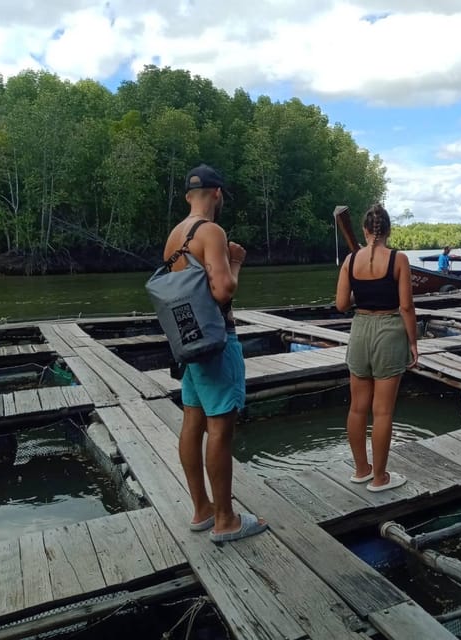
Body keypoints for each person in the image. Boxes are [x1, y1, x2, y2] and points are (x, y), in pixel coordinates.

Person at [163, 164, 267, 543]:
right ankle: (226, 520)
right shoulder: (212, 232)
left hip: (188, 345)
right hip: (216, 342)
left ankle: (201, 509)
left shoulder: (174, 237)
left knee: (192, 422)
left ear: (189, 195)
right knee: (220, 429)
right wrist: (236, 260)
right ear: (217, 194)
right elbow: (223, 291)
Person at [336, 204, 419, 492]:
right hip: (389, 329)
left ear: (365, 229)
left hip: (360, 329)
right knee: (382, 411)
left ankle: (361, 469)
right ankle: (380, 477)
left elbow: (341, 304)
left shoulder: (350, 260)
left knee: (358, 408)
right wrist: (413, 342)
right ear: (389, 229)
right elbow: (406, 306)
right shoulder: (399, 259)